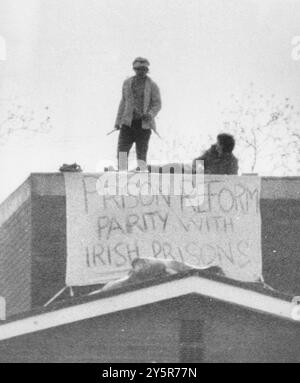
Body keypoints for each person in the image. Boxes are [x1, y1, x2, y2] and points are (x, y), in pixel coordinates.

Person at [115, 57, 162, 171]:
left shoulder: (152, 85)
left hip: (144, 125)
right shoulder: (127, 83)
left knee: (141, 153)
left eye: (143, 69)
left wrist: (150, 114)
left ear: (146, 70)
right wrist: (118, 121)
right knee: (122, 151)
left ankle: (142, 176)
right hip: (127, 124)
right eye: (138, 69)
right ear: (134, 69)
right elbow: (123, 102)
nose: (140, 71)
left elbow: (157, 104)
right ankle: (122, 174)